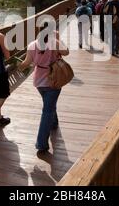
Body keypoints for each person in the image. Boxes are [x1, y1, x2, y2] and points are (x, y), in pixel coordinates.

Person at [17, 22, 70, 153]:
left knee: (49, 104)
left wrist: (19, 65)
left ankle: (54, 122)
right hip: (54, 79)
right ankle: (41, 143)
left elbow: (26, 63)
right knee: (47, 110)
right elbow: (67, 52)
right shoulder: (54, 43)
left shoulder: (32, 44)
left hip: (39, 81)